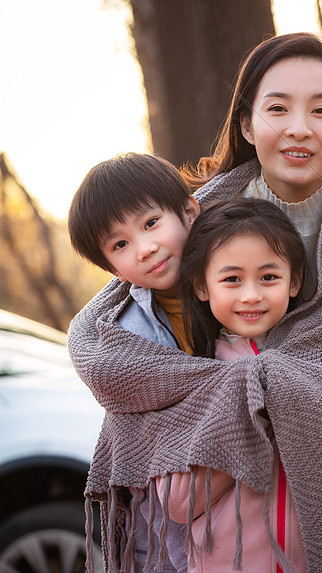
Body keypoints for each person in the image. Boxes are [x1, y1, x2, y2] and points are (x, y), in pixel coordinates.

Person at [68, 32, 322, 573]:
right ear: (246, 123)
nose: (299, 127)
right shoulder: (201, 214)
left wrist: (300, 389)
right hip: (236, 522)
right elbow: (120, 312)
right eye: (278, 108)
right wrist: (242, 392)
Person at [68, 151, 200, 572]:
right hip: (171, 529)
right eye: (121, 244)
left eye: (151, 223)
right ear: (112, 268)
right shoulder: (124, 338)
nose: (145, 248)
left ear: (189, 212)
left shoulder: (243, 285)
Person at [157, 198, 306, 573]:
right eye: (232, 279)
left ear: (295, 281)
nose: (251, 294)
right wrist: (254, 420)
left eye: (268, 277)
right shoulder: (195, 379)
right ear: (202, 286)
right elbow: (177, 503)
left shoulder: (315, 364)